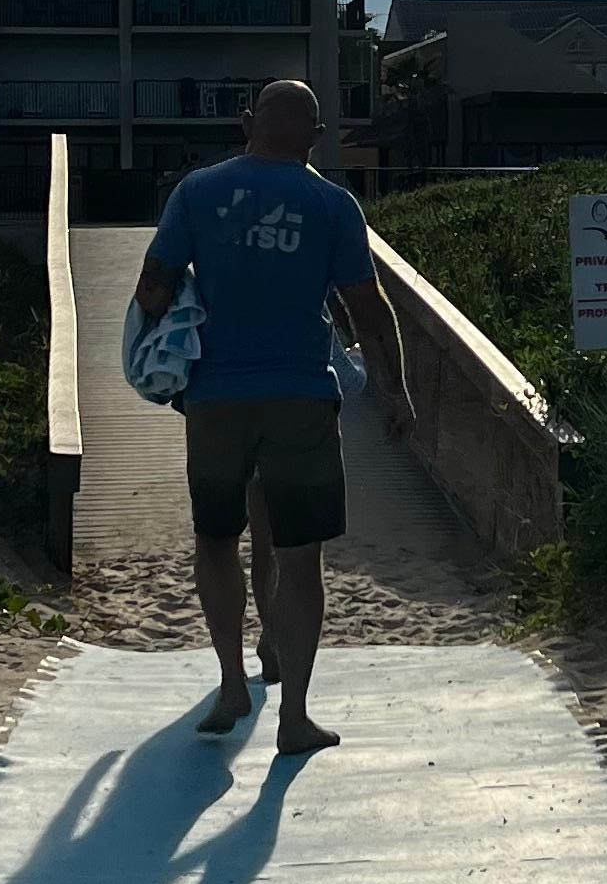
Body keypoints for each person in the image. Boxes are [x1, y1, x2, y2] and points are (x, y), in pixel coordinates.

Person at [135, 79, 411, 754]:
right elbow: (369, 308)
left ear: (246, 123)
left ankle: (232, 682)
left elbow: (152, 286)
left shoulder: (197, 192)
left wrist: (161, 342)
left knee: (216, 539)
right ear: (315, 138)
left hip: (214, 396)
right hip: (301, 395)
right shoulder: (332, 204)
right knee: (300, 556)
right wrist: (398, 392)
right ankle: (294, 718)